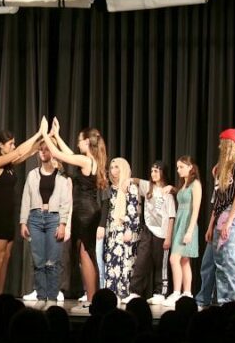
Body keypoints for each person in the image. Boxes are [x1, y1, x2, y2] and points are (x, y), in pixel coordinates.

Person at [42, 117, 108, 310]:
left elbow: (58, 154)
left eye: (80, 140)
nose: (78, 143)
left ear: (87, 141)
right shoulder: (90, 160)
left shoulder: (85, 160)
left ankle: (91, 299)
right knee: (86, 254)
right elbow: (69, 153)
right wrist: (56, 135)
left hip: (84, 212)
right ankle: (91, 298)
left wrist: (45, 134)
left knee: (86, 255)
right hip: (88, 211)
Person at [0, 121, 44, 295]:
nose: (13, 146)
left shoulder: (8, 166)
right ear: (0, 146)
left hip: (8, 215)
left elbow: (27, 152)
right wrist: (37, 132)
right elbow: (19, 151)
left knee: (6, 257)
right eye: (10, 143)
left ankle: (0, 296)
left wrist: (44, 139)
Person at [206, 128, 235, 309]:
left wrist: (230, 220)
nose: (219, 146)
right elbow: (218, 199)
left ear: (228, 145)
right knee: (222, 260)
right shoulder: (223, 169)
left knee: (231, 258)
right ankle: (226, 303)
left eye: (222, 143)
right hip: (222, 215)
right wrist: (211, 225)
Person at [19, 142, 72, 302]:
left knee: (53, 261)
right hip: (35, 218)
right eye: (40, 150)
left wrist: (62, 224)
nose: (43, 152)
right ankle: (41, 297)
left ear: (53, 152)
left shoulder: (61, 177)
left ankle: (52, 297)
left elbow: (66, 202)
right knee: (38, 260)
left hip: (53, 218)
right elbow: (26, 199)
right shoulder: (32, 174)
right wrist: (23, 222)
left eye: (46, 149)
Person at [122, 161, 176, 305]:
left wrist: (168, 237)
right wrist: (128, 180)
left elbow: (171, 217)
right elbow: (137, 180)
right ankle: (134, 291)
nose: (153, 174)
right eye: (152, 171)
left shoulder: (167, 192)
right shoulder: (148, 187)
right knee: (141, 261)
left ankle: (160, 292)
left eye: (157, 171)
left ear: (163, 173)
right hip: (148, 230)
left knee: (160, 264)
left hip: (162, 233)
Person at [97, 157, 140, 300]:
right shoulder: (111, 189)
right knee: (111, 261)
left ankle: (124, 292)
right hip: (112, 231)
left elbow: (133, 210)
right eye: (112, 167)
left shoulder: (130, 187)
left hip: (125, 230)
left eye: (116, 167)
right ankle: (111, 294)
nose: (113, 170)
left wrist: (129, 229)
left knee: (125, 263)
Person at [162, 156, 202, 308]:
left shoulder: (196, 184)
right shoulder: (184, 184)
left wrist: (190, 231)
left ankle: (177, 292)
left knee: (174, 259)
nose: (178, 170)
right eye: (177, 167)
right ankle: (187, 293)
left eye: (181, 167)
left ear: (190, 167)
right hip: (180, 221)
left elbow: (195, 209)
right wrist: (173, 189)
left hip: (187, 224)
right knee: (184, 261)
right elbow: (182, 195)